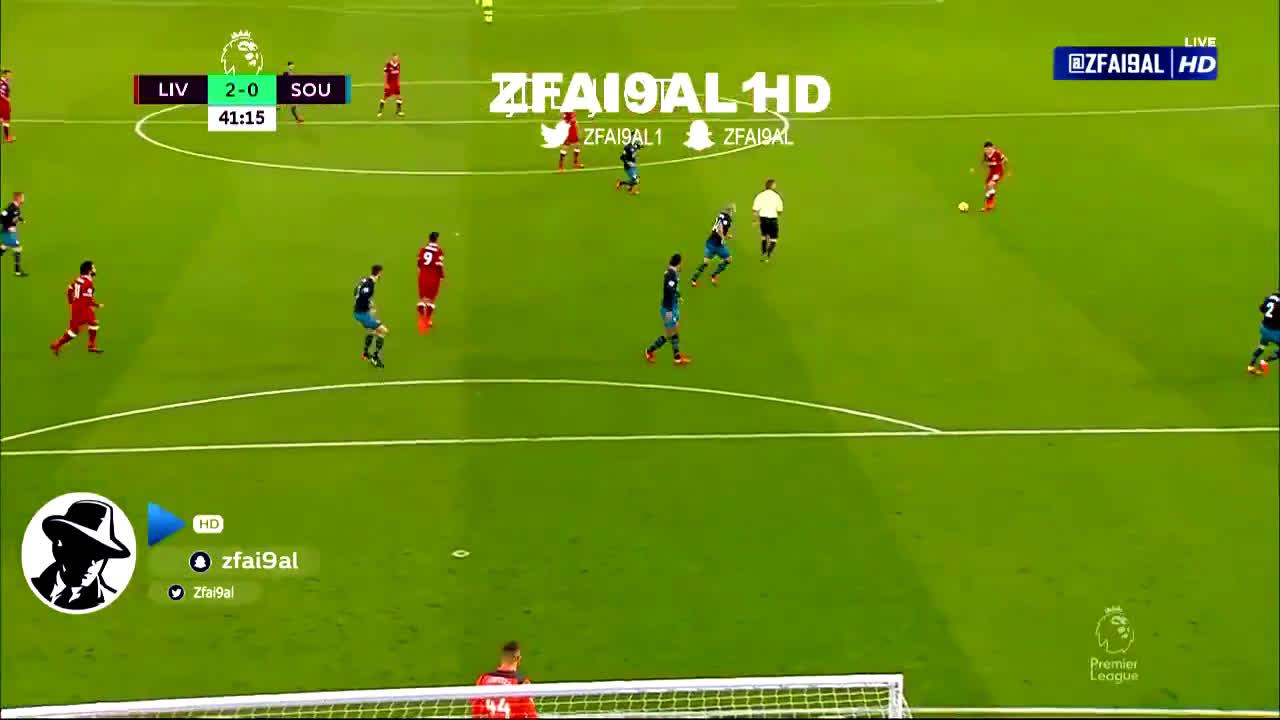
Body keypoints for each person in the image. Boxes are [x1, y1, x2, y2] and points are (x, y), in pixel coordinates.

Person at [30, 498, 132, 611]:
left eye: (100, 555)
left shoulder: (113, 602)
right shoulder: (29, 588)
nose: (91, 564)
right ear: (60, 548)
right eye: (84, 552)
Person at [645, 254, 690, 365]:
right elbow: (669, 288)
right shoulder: (671, 275)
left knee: (674, 329)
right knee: (671, 333)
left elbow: (674, 287)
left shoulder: (673, 272)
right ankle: (650, 351)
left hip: (673, 306)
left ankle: (676, 356)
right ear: (679, 263)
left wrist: (678, 296)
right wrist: (674, 294)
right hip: (668, 309)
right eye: (681, 262)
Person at [472, 642, 537, 719]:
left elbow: (476, 711)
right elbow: (531, 715)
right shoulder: (522, 683)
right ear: (518, 659)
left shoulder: (483, 679)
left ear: (502, 658)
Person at [51, 261, 103, 355]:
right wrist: (96, 305)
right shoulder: (88, 283)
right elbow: (87, 299)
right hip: (82, 307)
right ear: (89, 271)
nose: (95, 269)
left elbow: (70, 289)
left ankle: (57, 345)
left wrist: (71, 302)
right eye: (93, 268)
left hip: (76, 306)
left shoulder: (78, 279)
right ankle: (58, 344)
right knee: (79, 329)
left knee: (87, 325)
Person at [690, 204, 734, 288]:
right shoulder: (726, 219)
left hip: (713, 244)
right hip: (715, 245)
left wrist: (725, 236)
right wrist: (723, 237)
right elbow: (719, 229)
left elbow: (716, 229)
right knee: (725, 260)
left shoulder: (720, 216)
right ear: (730, 212)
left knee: (708, 262)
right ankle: (705, 277)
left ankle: (702, 278)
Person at [354, 264, 387, 368]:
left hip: (359, 312)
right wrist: (369, 307)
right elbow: (363, 298)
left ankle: (365, 354)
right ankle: (375, 358)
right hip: (362, 314)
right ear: (379, 273)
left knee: (372, 331)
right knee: (383, 331)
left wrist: (369, 303)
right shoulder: (370, 285)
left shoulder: (364, 280)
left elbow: (355, 292)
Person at [417, 232, 446, 334]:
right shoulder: (439, 251)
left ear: (429, 239)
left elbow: (419, 263)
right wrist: (442, 276)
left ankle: (421, 316)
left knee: (423, 298)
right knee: (431, 299)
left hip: (423, 275)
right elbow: (439, 265)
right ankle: (428, 320)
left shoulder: (423, 250)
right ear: (437, 239)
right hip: (433, 277)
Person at [1248, 291, 1280, 375]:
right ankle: (1264, 361)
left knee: (1262, 346)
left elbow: (1262, 309)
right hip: (1275, 333)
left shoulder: (1270, 299)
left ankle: (1251, 365)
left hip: (1264, 329)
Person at [751, 179, 783, 261]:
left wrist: (754, 220)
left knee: (764, 237)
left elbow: (755, 209)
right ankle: (769, 252)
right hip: (773, 219)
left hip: (763, 219)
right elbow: (780, 210)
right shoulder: (776, 196)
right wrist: (777, 213)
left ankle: (763, 252)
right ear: (772, 186)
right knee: (774, 238)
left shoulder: (760, 195)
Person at [0, 190, 27, 276]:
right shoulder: (10, 207)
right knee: (18, 248)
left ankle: (17, 271)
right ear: (18, 198)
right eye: (22, 197)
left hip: (11, 232)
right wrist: (8, 226)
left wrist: (21, 220)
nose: (23, 199)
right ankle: (17, 271)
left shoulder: (17, 207)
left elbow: (16, 216)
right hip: (7, 232)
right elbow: (1, 216)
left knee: (3, 247)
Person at [979, 141, 1007, 212]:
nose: (987, 150)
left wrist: (1003, 166)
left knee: (990, 184)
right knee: (986, 187)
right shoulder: (986, 154)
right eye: (986, 149)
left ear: (992, 147)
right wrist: (986, 163)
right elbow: (984, 161)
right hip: (992, 172)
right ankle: (989, 203)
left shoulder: (997, 153)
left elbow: (1005, 159)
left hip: (998, 171)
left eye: (989, 149)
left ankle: (990, 204)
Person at [0, 69, 13, 143]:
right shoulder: (3, 83)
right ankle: (7, 138)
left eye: (10, 75)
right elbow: (1, 93)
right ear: (4, 75)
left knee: (5, 120)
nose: (10, 76)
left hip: (4, 103)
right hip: (3, 104)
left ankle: (8, 137)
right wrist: (7, 99)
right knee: (6, 120)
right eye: (8, 75)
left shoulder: (6, 82)